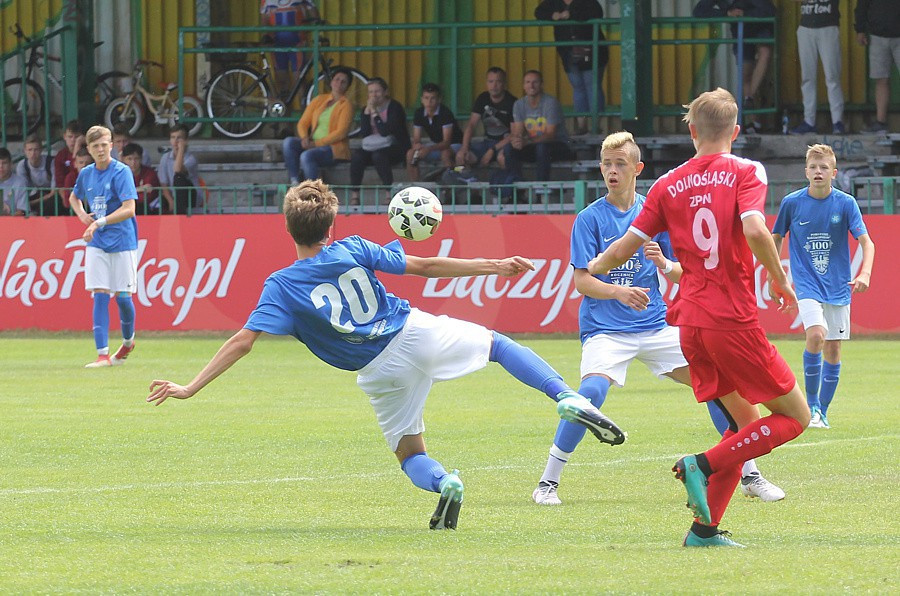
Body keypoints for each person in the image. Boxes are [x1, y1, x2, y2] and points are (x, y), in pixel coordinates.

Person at [146, 179, 627, 531]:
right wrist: (495, 266)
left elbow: (242, 342)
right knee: (498, 346)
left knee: (409, 453)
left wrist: (190, 386)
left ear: (287, 227)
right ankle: (566, 396)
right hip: (415, 331)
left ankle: (446, 484)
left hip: (378, 372)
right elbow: (424, 265)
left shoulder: (281, 286)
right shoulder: (353, 247)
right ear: (331, 225)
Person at [588, 88, 809, 547]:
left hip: (688, 325)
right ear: (736, 131)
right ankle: (700, 464)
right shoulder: (747, 171)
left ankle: (703, 531)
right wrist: (779, 277)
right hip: (731, 321)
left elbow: (625, 246)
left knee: (740, 424)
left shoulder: (668, 184)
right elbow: (752, 228)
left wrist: (596, 268)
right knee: (795, 417)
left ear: (691, 131)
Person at [532, 131, 783, 507]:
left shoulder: (656, 210)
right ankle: (547, 483)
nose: (612, 171)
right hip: (606, 330)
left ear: (638, 168)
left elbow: (686, 272)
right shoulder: (589, 219)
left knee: (719, 387)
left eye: (620, 164)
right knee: (591, 394)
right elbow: (582, 280)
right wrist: (619, 291)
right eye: (606, 164)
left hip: (655, 326)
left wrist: (665, 264)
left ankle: (749, 473)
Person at [772, 144, 875, 429]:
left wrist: (864, 273)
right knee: (816, 335)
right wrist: (774, 274)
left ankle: (823, 412)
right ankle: (810, 406)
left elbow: (867, 242)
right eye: (814, 167)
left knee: (833, 350)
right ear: (806, 171)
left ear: (834, 173)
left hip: (839, 286)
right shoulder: (792, 203)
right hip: (806, 284)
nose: (818, 172)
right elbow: (776, 237)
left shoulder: (845, 203)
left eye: (824, 167)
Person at [67, 125, 139, 368]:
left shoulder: (121, 172)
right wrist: (81, 215)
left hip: (122, 241)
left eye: (104, 144)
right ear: (88, 149)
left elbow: (129, 208)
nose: (101, 149)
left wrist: (98, 221)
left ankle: (128, 342)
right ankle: (102, 355)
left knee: (122, 298)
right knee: (99, 294)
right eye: (95, 146)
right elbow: (73, 197)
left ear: (112, 145)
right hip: (96, 241)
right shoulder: (86, 174)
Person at [692, 1, 776, 134]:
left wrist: (745, 14)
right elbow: (699, 12)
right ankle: (756, 123)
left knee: (765, 53)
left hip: (761, 28)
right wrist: (726, 13)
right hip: (740, 31)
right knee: (745, 75)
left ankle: (750, 97)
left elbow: (770, 10)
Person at [535, 0, 609, 135]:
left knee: (591, 85)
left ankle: (594, 125)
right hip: (568, 52)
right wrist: (554, 15)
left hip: (591, 49)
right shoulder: (554, 3)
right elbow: (538, 12)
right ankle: (582, 126)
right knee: (579, 87)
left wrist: (571, 14)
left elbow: (597, 13)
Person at [282, 68, 354, 185]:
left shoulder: (346, 105)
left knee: (307, 155)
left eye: (343, 82)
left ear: (347, 86)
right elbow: (303, 122)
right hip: (313, 143)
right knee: (288, 142)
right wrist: (305, 137)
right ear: (331, 82)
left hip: (333, 149)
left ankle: (314, 192)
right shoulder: (319, 99)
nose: (339, 83)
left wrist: (316, 144)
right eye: (337, 80)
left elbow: (341, 133)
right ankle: (294, 181)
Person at [349, 78, 410, 206]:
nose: (374, 95)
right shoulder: (366, 108)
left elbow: (385, 131)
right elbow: (365, 133)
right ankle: (355, 194)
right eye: (371, 92)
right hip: (374, 146)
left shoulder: (395, 107)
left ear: (385, 92)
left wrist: (375, 113)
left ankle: (388, 193)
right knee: (357, 157)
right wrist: (367, 113)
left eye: (377, 91)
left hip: (395, 146)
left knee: (379, 156)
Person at [504, 70, 573, 184]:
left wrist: (527, 141)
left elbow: (550, 134)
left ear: (541, 84)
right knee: (509, 149)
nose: (531, 85)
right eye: (528, 82)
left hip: (559, 145)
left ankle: (541, 189)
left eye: (535, 82)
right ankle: (516, 190)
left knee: (542, 147)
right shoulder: (519, 104)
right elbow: (518, 131)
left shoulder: (550, 103)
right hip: (534, 145)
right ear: (523, 86)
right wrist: (518, 141)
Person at [790, 0, 845, 134]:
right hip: (806, 26)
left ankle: (837, 121)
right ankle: (809, 121)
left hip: (828, 26)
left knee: (832, 76)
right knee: (807, 77)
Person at [455, 67, 517, 172]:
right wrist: (464, 147)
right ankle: (469, 185)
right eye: (491, 81)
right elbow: (471, 125)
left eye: (498, 82)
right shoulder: (482, 98)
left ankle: (505, 186)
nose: (494, 86)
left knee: (503, 158)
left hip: (505, 144)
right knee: (462, 156)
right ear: (486, 83)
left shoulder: (512, 102)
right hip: (487, 142)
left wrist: (492, 150)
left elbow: (514, 134)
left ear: (504, 84)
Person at [260, 0, 321, 102]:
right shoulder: (266, 1)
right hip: (277, 45)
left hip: (298, 44)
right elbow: (264, 19)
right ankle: (284, 115)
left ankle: (304, 115)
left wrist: (312, 30)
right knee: (281, 81)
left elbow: (315, 16)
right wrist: (269, 35)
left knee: (300, 81)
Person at [854, 0, 900, 133]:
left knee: (881, 80)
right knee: (881, 79)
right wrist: (860, 30)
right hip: (877, 35)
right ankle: (880, 123)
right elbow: (862, 5)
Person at [406, 83, 463, 182]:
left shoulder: (445, 113)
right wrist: (417, 145)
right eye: (426, 98)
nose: (429, 102)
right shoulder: (419, 113)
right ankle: (415, 186)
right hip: (435, 145)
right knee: (411, 154)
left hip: (455, 144)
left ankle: (451, 187)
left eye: (433, 98)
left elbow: (447, 142)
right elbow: (416, 138)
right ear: (422, 99)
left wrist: (428, 149)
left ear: (439, 100)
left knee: (446, 154)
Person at [157, 124, 201, 214]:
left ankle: (179, 215)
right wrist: (170, 201)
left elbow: (178, 169)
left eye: (179, 138)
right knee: (161, 200)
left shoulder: (191, 158)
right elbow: (163, 183)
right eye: (173, 137)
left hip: (190, 194)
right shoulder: (165, 158)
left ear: (186, 140)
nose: (175, 141)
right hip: (173, 195)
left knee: (178, 178)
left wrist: (181, 149)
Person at [17, 134, 59, 216]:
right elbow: (22, 191)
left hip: (50, 197)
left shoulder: (50, 162)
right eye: (29, 150)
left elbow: (53, 193)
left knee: (52, 202)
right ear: (25, 151)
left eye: (36, 150)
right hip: (35, 195)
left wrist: (31, 203)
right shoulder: (22, 165)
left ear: (41, 150)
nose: (33, 153)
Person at [121, 143, 161, 214]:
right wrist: (139, 189)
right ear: (123, 159)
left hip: (148, 209)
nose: (133, 162)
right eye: (129, 159)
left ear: (141, 158)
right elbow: (118, 194)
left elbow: (146, 197)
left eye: (136, 159)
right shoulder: (120, 175)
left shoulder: (149, 173)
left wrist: (127, 193)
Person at [53, 120, 84, 206]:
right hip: (67, 195)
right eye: (70, 137)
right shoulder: (60, 155)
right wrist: (68, 201)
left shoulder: (88, 153)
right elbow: (60, 182)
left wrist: (77, 147)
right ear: (64, 136)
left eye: (76, 137)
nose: (73, 140)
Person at [0, 147, 30, 216]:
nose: (1, 166)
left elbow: (23, 212)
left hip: (13, 223)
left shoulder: (20, 182)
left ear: (11, 164)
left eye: (4, 163)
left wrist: (8, 218)